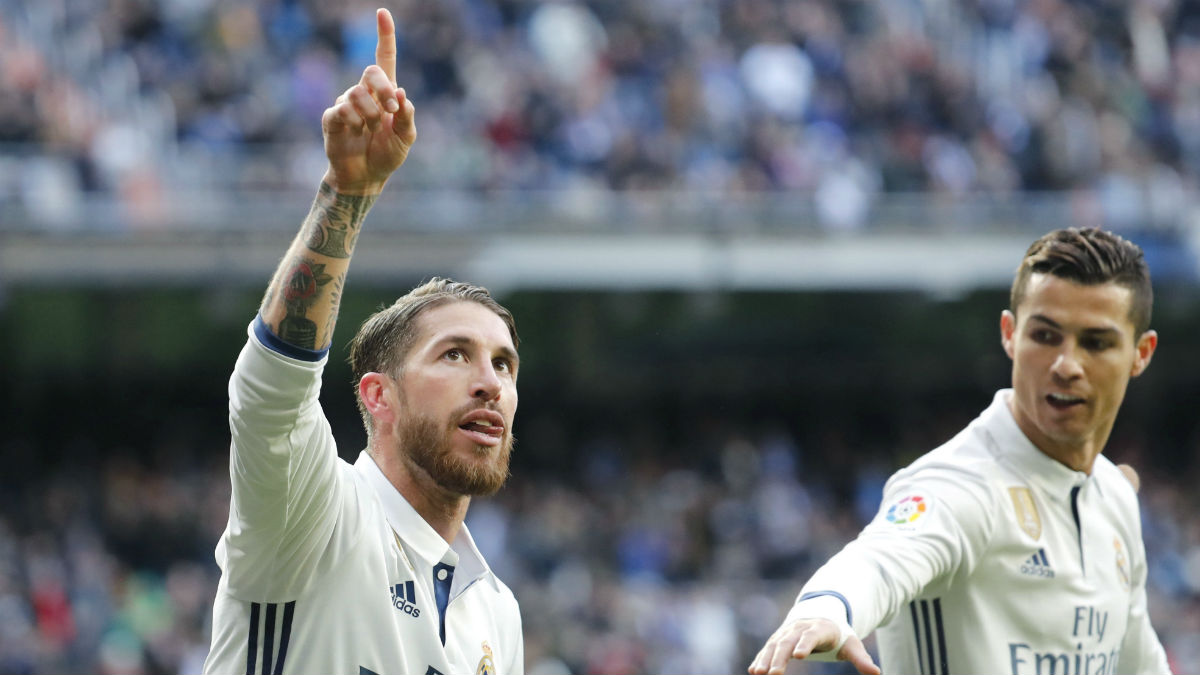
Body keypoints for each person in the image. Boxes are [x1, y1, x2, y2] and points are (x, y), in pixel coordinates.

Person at [202, 9, 523, 675]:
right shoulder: (315, 515)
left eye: (503, 363)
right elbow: (269, 391)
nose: (491, 380)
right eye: (454, 353)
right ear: (377, 395)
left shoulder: (497, 610)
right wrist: (347, 193)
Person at [749, 228, 1172, 675]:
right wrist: (827, 606)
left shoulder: (1115, 497)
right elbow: (881, 558)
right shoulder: (960, 485)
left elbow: (1139, 662)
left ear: (1140, 353)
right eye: (1045, 336)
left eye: (1096, 343)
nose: (1066, 365)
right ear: (1010, 335)